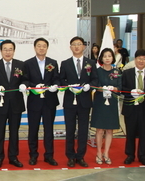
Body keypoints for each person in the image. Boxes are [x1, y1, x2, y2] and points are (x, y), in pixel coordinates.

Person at [59, 36, 99, 167]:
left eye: (79, 44)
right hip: (70, 101)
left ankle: (81, 156)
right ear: (70, 47)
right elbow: (61, 80)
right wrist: (69, 86)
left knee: (83, 130)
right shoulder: (65, 63)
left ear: (84, 47)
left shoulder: (90, 63)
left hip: (84, 101)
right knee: (70, 129)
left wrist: (89, 86)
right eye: (74, 44)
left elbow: (95, 79)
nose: (76, 46)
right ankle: (70, 156)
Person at [0, 40, 27, 168]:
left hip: (16, 104)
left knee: (14, 132)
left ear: (14, 51)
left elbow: (26, 79)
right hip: (0, 104)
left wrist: (24, 85)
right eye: (5, 49)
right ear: (1, 51)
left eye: (10, 49)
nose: (7, 52)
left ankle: (13, 157)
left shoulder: (20, 65)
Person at [24, 37, 60, 166]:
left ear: (47, 48)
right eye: (39, 46)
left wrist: (55, 85)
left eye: (44, 46)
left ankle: (49, 155)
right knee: (33, 129)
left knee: (49, 130)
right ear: (35, 47)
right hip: (34, 101)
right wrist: (34, 86)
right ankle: (33, 155)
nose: (41, 48)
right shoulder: (28, 63)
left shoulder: (53, 62)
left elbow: (57, 78)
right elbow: (25, 80)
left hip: (49, 101)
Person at [121, 49, 145, 166]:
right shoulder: (127, 73)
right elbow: (122, 88)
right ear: (135, 59)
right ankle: (130, 155)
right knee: (130, 133)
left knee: (143, 133)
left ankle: (143, 156)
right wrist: (131, 91)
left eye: (144, 59)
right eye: (139, 58)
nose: (141, 61)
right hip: (130, 107)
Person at [91, 48, 121, 165]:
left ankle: (106, 153)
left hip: (112, 102)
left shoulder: (117, 71)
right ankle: (99, 152)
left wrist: (114, 88)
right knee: (99, 129)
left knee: (109, 129)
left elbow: (120, 87)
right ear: (101, 58)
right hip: (100, 102)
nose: (107, 58)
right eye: (105, 56)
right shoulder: (97, 71)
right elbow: (94, 85)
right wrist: (101, 88)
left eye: (109, 56)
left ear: (113, 58)